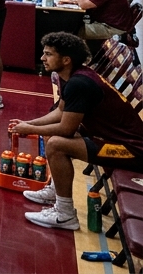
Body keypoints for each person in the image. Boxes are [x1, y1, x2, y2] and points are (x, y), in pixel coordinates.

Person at [10, 32, 143, 230]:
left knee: (57, 144)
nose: (42, 58)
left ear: (65, 59)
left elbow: (66, 128)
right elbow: (61, 112)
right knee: (49, 134)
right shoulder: (70, 75)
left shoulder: (79, 84)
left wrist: (29, 128)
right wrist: (31, 123)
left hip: (132, 150)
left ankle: (65, 215)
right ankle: (56, 190)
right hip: (108, 137)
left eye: (48, 54)